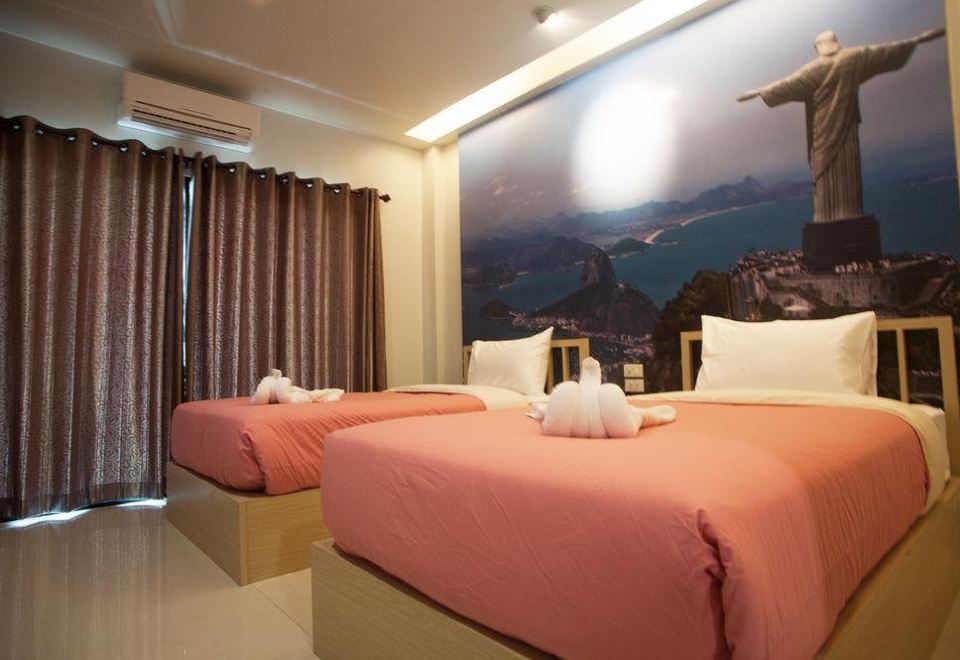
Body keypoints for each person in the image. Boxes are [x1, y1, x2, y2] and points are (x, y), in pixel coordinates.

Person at [738, 28, 945, 223]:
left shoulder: (815, 69)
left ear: (819, 47)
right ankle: (850, 210)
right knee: (848, 169)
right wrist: (915, 40)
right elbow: (884, 51)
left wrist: (760, 91)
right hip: (847, 124)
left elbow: (788, 84)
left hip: (822, 129)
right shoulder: (855, 57)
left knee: (823, 171)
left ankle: (825, 215)